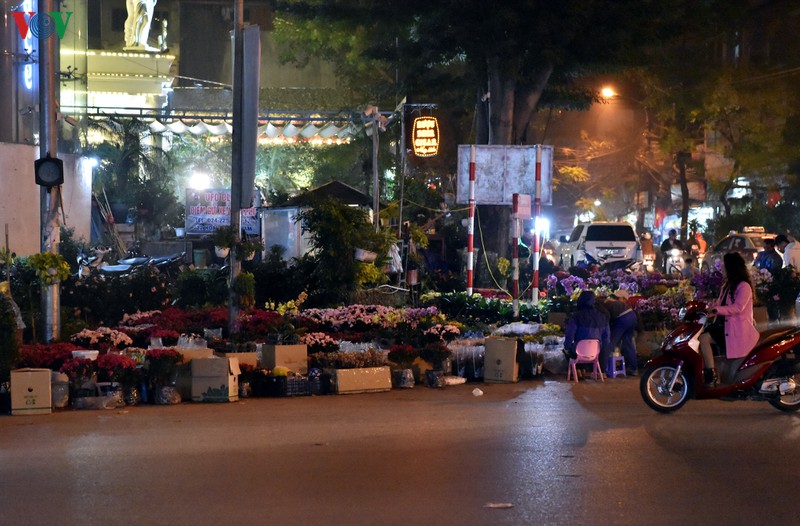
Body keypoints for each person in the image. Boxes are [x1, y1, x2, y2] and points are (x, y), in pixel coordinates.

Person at [698, 252, 759, 387]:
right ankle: (711, 373)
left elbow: (738, 307)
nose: (722, 269)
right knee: (701, 339)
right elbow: (720, 304)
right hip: (723, 325)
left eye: (724, 266)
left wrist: (717, 310)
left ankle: (711, 376)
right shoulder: (727, 285)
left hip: (734, 328)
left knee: (704, 339)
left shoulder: (744, 286)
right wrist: (707, 309)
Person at [563, 291, 610, 377]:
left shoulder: (576, 316)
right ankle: (585, 370)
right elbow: (606, 338)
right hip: (596, 351)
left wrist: (566, 347)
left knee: (569, 350)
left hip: (579, 351)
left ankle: (578, 370)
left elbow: (569, 335)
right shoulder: (603, 317)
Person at [598, 289, 638, 376]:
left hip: (622, 319)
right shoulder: (614, 303)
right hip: (632, 316)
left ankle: (602, 371)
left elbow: (607, 316)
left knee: (610, 343)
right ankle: (634, 368)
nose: (615, 298)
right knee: (628, 344)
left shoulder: (600, 304)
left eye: (616, 297)